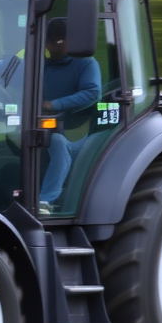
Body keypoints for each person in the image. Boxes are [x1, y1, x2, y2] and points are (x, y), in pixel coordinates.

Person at [38, 19, 101, 213]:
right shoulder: (38, 64)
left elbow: (92, 92)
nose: (52, 46)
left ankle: (45, 201)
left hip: (74, 129)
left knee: (56, 142)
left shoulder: (86, 63)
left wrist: (53, 104)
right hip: (38, 125)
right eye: (48, 41)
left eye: (58, 41)